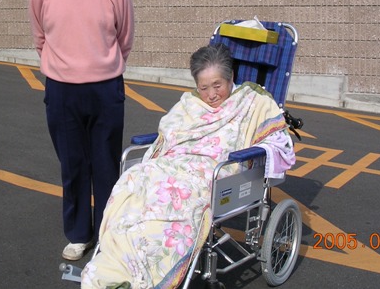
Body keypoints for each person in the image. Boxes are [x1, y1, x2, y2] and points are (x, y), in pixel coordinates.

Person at [81, 43, 295, 288]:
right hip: (176, 161)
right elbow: (171, 132)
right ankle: (117, 262)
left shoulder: (252, 102)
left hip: (215, 169)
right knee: (135, 178)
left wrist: (262, 150)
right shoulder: (190, 103)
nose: (211, 95)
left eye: (217, 85)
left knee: (177, 196)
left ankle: (147, 269)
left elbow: (278, 141)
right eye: (203, 88)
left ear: (231, 77)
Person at [28, 0, 135, 261]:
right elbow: (40, 37)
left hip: (106, 89)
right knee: (72, 166)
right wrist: (61, 67)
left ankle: (106, 234)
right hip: (61, 90)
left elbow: (124, 38)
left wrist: (103, 66)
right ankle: (77, 234)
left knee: (106, 165)